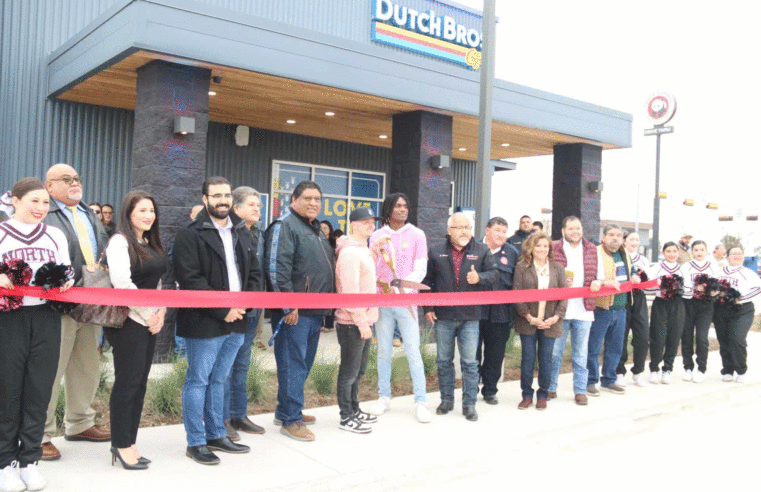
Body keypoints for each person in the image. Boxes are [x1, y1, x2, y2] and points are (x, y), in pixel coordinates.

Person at [173, 177, 260, 465]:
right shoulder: (190, 233)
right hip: (204, 319)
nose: (222, 200)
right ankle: (196, 442)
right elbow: (189, 278)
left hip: (238, 318)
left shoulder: (240, 231)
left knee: (219, 379)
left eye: (226, 195)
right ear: (205, 199)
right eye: (216, 195)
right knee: (198, 380)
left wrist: (245, 305)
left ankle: (215, 434)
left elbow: (255, 273)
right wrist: (223, 308)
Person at [0, 178, 72, 492]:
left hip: (46, 316)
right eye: (34, 201)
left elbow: (67, 269)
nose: (41, 208)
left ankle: (30, 460)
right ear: (14, 200)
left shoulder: (55, 233)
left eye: (45, 202)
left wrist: (65, 280)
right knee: (8, 389)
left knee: (39, 389)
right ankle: (5, 463)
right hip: (9, 319)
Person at [42, 164, 111, 461]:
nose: (74, 183)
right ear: (49, 185)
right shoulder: (43, 212)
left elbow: (102, 248)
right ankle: (39, 433)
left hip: (90, 303)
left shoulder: (87, 212)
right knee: (49, 371)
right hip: (57, 306)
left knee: (86, 366)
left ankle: (80, 423)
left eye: (77, 179)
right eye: (66, 179)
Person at [263, 180, 335, 441]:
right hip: (294, 312)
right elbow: (276, 268)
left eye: (317, 198)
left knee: (302, 364)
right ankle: (291, 421)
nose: (313, 203)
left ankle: (286, 410)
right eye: (307, 198)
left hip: (315, 311)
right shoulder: (285, 226)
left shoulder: (314, 229)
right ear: (293, 200)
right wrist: (287, 304)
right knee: (292, 364)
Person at [104, 191, 167, 470]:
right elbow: (122, 283)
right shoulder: (120, 242)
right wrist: (149, 313)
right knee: (127, 384)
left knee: (140, 385)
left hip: (150, 320)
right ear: (128, 213)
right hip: (129, 322)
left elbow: (158, 283)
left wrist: (161, 311)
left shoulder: (148, 242)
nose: (148, 215)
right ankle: (120, 443)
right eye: (142, 210)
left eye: (151, 210)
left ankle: (130, 441)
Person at [422, 212, 498, 422]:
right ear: (449, 230)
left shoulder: (481, 250)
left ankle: (469, 404)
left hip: (470, 316)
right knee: (444, 361)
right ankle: (447, 400)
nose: (465, 231)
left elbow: (494, 275)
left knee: (470, 362)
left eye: (468, 227)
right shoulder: (436, 251)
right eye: (459, 227)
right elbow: (427, 282)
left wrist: (479, 277)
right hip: (443, 316)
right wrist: (427, 307)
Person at [368, 192, 431, 423]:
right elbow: (371, 265)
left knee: (413, 351)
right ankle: (384, 397)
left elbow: (421, 267)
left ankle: (421, 401)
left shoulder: (417, 234)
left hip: (407, 302)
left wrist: (400, 286)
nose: (403, 209)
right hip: (383, 302)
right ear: (389, 209)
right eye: (398, 206)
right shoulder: (377, 235)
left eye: (405, 206)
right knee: (383, 351)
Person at [223, 186, 265, 441]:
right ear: (236, 208)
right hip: (235, 310)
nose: (257, 209)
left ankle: (239, 414)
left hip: (253, 308)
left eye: (259, 205)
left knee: (242, 366)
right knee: (226, 369)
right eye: (251, 204)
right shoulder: (232, 234)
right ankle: (223, 418)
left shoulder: (256, 233)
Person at [334, 208, 380, 433]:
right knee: (349, 372)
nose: (371, 225)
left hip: (365, 320)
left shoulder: (364, 250)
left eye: (373, 222)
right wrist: (361, 321)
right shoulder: (350, 253)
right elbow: (350, 293)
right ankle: (346, 416)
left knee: (359, 371)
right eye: (366, 222)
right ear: (354, 224)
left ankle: (354, 408)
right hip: (352, 322)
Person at [513, 232, 567, 410]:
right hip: (528, 321)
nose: (542, 249)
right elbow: (517, 295)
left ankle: (543, 394)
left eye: (545, 246)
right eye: (538, 245)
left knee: (546, 360)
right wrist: (530, 318)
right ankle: (526, 395)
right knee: (528, 359)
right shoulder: (522, 267)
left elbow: (564, 296)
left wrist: (555, 318)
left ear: (549, 248)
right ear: (531, 247)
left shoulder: (557, 268)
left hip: (551, 322)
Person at [548, 216, 598, 405]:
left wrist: (597, 282)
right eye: (570, 229)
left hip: (584, 309)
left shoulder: (592, 249)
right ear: (563, 231)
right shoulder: (553, 248)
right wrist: (559, 282)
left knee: (580, 353)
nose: (574, 232)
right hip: (560, 309)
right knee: (555, 352)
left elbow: (598, 275)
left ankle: (580, 390)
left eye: (577, 228)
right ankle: (551, 388)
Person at [586, 224, 638, 396]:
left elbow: (632, 271)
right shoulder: (596, 252)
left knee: (615, 347)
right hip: (601, 308)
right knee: (593, 347)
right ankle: (591, 381)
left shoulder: (624, 253)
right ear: (603, 237)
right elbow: (590, 276)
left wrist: (636, 276)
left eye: (618, 235)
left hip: (621, 308)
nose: (615, 238)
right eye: (611, 234)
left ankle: (609, 380)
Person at [477, 217, 518, 405]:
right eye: (498, 230)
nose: (502, 235)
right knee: (472, 353)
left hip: (500, 313)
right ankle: (471, 387)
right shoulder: (474, 249)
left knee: (495, 353)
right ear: (487, 230)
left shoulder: (512, 253)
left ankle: (490, 390)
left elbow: (518, 282)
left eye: (504, 231)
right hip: (475, 311)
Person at [714, 246, 761, 383]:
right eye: (733, 253)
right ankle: (727, 370)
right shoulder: (719, 271)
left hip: (742, 309)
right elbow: (711, 287)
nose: (737, 256)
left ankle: (741, 370)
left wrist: (740, 299)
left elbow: (758, 289)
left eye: (740, 253)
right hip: (722, 309)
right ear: (727, 257)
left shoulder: (748, 273)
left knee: (737, 339)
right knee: (724, 340)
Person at [679, 240, 719, 383]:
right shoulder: (686, 267)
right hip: (689, 304)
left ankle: (701, 369)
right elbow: (681, 286)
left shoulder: (713, 266)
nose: (699, 252)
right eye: (696, 250)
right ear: (692, 252)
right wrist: (694, 288)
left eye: (702, 249)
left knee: (702, 338)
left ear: (707, 250)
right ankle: (688, 368)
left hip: (706, 305)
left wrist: (713, 290)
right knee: (687, 337)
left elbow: (718, 285)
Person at [647, 242, 686, 384]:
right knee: (658, 336)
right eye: (668, 251)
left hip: (678, 305)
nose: (672, 254)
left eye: (674, 251)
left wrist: (678, 289)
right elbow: (646, 288)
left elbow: (689, 290)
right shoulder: (656, 268)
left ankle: (667, 369)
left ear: (678, 253)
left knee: (674, 337)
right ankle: (654, 369)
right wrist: (660, 289)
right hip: (660, 304)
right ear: (663, 253)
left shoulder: (683, 269)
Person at [616, 231, 650, 387]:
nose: (634, 242)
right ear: (624, 241)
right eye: (631, 239)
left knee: (642, 336)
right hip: (622, 298)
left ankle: (638, 371)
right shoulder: (619, 256)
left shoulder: (643, 259)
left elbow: (648, 282)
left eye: (637, 239)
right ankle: (619, 372)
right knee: (621, 335)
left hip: (639, 299)